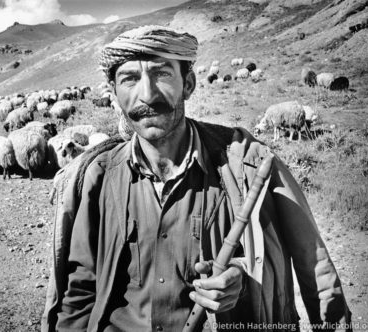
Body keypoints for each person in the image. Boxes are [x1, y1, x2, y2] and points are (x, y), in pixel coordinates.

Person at [42, 26, 351, 332]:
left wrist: (242, 276)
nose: (146, 94)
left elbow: (317, 268)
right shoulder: (98, 178)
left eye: (161, 74)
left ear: (188, 84)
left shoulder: (247, 163)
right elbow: (80, 291)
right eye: (130, 79)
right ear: (114, 93)